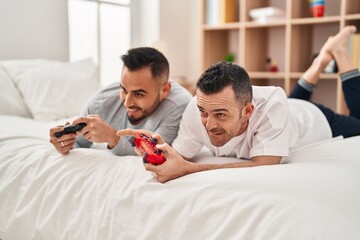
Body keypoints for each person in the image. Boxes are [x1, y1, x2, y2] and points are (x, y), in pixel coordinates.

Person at [118, 25, 360, 183]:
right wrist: (157, 151)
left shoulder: (273, 107)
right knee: (289, 100)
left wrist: (187, 169)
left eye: (220, 114)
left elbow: (262, 166)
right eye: (204, 112)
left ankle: (340, 53)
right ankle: (319, 63)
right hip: (286, 106)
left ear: (248, 111)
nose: (209, 124)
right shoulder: (196, 108)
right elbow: (180, 154)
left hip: (312, 118)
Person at [49, 47, 192, 155]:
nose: (127, 102)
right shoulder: (100, 103)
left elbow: (154, 151)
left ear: (165, 90)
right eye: (124, 89)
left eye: (138, 94)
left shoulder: (180, 105)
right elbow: (79, 143)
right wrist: (65, 143)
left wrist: (112, 137)